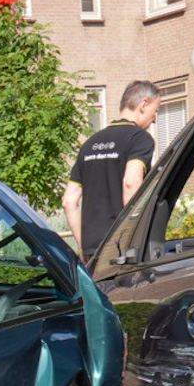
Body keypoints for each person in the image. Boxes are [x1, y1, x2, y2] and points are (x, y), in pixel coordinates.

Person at [62, 81, 160, 261]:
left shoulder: (89, 144)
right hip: (123, 250)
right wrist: (133, 240)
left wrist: (84, 248)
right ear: (143, 105)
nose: (154, 119)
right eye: (155, 111)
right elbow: (131, 183)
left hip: (93, 252)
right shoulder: (140, 139)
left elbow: (69, 201)